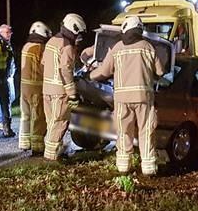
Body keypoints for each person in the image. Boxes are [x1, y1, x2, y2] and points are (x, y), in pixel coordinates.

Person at [90, 16, 165, 176]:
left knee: (124, 131)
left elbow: (104, 72)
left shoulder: (117, 48)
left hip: (122, 99)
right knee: (146, 131)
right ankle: (149, 168)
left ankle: (124, 166)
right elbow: (160, 72)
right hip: (144, 98)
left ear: (125, 29)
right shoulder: (148, 47)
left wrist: (90, 75)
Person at [42, 13, 86, 160]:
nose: (79, 37)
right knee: (60, 122)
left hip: (47, 88)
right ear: (74, 29)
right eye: (79, 33)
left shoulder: (51, 41)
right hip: (60, 91)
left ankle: (54, 151)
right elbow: (65, 70)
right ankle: (52, 157)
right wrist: (72, 92)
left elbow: (43, 64)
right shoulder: (66, 46)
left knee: (51, 122)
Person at [19, 21, 51, 155]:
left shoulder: (26, 46)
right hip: (37, 86)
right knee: (38, 116)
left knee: (26, 115)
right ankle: (38, 147)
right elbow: (45, 67)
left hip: (24, 86)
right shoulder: (40, 48)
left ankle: (25, 142)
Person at [0, 24, 16, 132]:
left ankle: (1, 121)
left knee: (10, 98)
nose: (9, 34)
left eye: (10, 32)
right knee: (3, 100)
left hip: (8, 75)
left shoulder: (6, 44)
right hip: (2, 76)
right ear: (0, 32)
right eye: (7, 32)